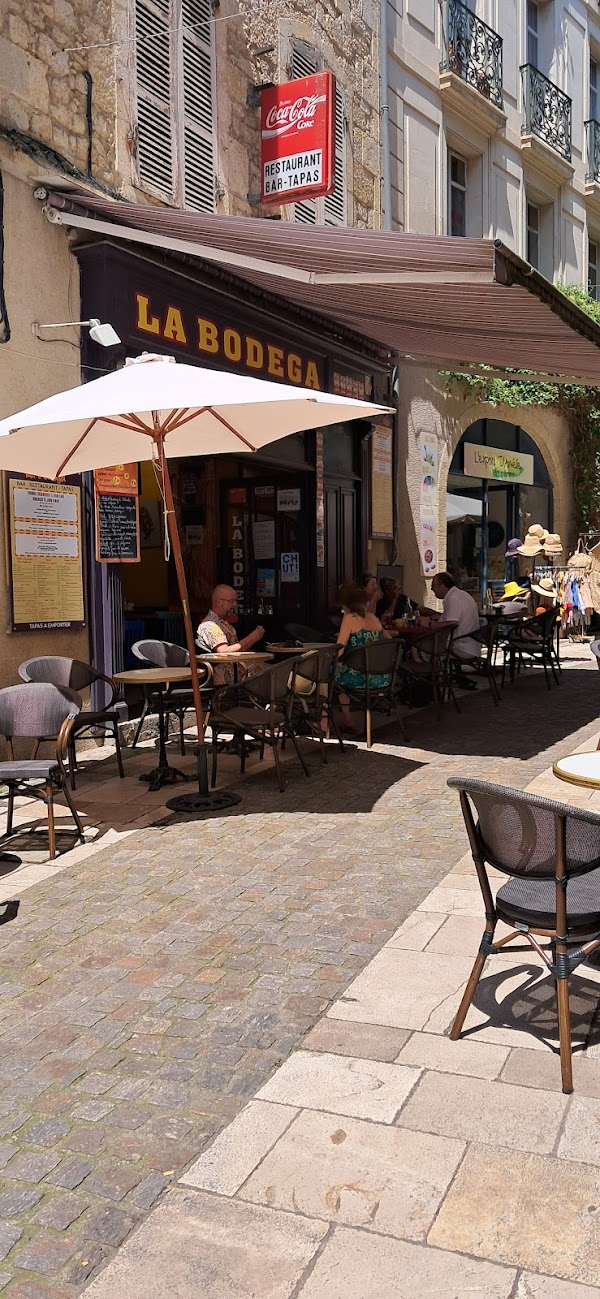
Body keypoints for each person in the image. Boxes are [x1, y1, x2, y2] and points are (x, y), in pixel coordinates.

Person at [335, 582, 391, 732]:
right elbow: (390, 640)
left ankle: (342, 719)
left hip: (359, 677)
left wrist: (334, 663)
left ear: (346, 605)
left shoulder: (350, 619)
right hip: (382, 677)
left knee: (330, 674)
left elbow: (339, 648)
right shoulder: (374, 619)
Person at [197, 585, 264, 684]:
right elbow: (224, 652)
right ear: (219, 602)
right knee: (278, 673)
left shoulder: (224, 624)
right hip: (230, 676)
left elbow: (239, 650)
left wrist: (253, 638)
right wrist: (251, 638)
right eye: (231, 601)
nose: (235, 604)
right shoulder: (210, 625)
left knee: (280, 671)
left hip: (241, 670)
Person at [429, 571, 481, 689]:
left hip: (463, 647)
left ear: (442, 585)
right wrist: (440, 618)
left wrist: (431, 624)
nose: (432, 590)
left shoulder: (452, 598)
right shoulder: (461, 594)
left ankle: (429, 681)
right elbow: (455, 617)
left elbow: (452, 623)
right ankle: (455, 676)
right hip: (471, 643)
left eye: (434, 586)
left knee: (421, 648)